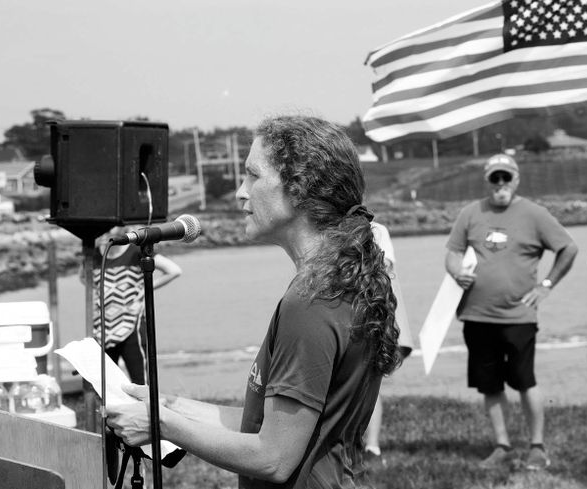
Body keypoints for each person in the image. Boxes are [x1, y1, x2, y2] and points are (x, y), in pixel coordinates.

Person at [106, 115, 402, 488]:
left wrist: (161, 426)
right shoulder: (337, 281)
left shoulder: (312, 302)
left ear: (299, 188)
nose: (240, 192)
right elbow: (262, 423)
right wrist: (169, 407)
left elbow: (274, 457)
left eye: (253, 176)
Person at [445, 154, 578, 470]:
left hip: (519, 317)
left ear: (516, 180)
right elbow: (452, 252)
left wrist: (546, 285)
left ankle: (537, 447)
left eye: (506, 177)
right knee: (490, 384)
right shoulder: (470, 213)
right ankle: (502, 445)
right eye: (495, 178)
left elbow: (568, 248)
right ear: (487, 181)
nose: (501, 184)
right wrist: (455, 272)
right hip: (477, 316)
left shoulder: (535, 214)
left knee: (524, 381)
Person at [84, 226, 182, 384]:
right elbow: (84, 277)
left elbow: (174, 270)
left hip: (132, 326)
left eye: (111, 227)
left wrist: (145, 288)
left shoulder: (135, 251)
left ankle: (145, 409)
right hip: (104, 328)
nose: (107, 232)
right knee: (106, 385)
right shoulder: (95, 255)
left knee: (140, 383)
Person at [363, 221, 414, 465]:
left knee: (370, 382)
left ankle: (371, 447)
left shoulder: (377, 230)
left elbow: (386, 268)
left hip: (371, 317)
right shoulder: (325, 226)